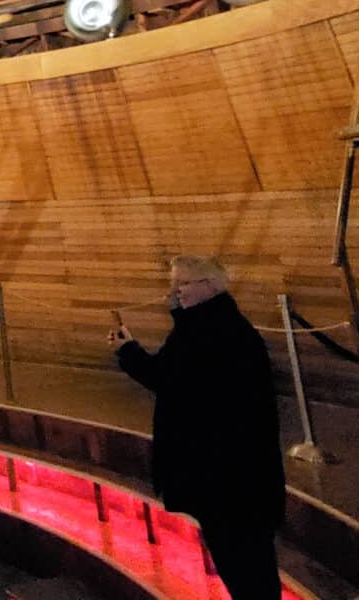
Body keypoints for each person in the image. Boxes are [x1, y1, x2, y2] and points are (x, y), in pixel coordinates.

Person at [110, 255, 284, 600]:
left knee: (242, 561)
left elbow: (167, 377)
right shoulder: (211, 326)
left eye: (183, 283)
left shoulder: (209, 332)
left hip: (226, 474)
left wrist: (127, 351)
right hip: (233, 472)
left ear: (209, 286)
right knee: (245, 560)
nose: (175, 292)